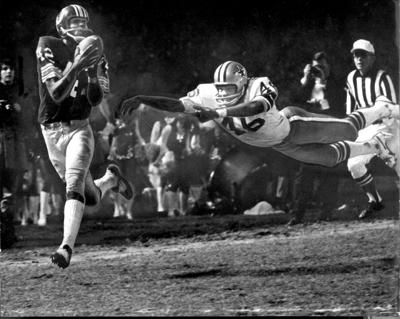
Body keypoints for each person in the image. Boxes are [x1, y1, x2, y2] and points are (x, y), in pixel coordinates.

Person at [121, 61, 398, 172]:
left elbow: (256, 108)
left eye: (231, 87)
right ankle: (375, 147)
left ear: (242, 80)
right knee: (329, 159)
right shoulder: (207, 93)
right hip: (278, 144)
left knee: (348, 129)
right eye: (222, 89)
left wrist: (219, 112)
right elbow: (177, 106)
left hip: (292, 126)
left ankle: (382, 107)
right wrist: (142, 99)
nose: (225, 92)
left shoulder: (259, 83)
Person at [35, 4, 132, 269]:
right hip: (52, 130)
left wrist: (92, 74)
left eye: (82, 23)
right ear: (62, 27)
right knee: (90, 197)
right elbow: (55, 93)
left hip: (80, 127)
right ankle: (110, 180)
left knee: (74, 184)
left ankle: (66, 247)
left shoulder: (96, 52)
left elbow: (96, 98)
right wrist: (78, 65)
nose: (79, 28)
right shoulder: (48, 44)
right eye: (73, 23)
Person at [288, 51, 346, 224]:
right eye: (316, 66)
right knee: (304, 176)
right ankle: (297, 215)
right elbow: (293, 100)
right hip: (310, 137)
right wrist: (305, 79)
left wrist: (322, 84)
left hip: (329, 134)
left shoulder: (336, 86)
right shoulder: (308, 84)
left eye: (322, 66)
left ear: (329, 67)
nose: (319, 69)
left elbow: (337, 111)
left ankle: (326, 212)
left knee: (329, 175)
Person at [345, 39, 398, 219]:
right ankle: (375, 200)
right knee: (354, 164)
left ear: (372, 57)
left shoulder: (383, 77)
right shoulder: (351, 77)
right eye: (356, 55)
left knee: (398, 165)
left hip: (386, 127)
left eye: (363, 55)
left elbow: (390, 108)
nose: (359, 59)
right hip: (366, 130)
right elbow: (351, 108)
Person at [0, 58, 28, 224]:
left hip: (17, 141)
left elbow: (27, 116)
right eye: (4, 69)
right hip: (2, 139)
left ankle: (8, 224)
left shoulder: (19, 90)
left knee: (15, 181)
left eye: (11, 69)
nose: (8, 72)